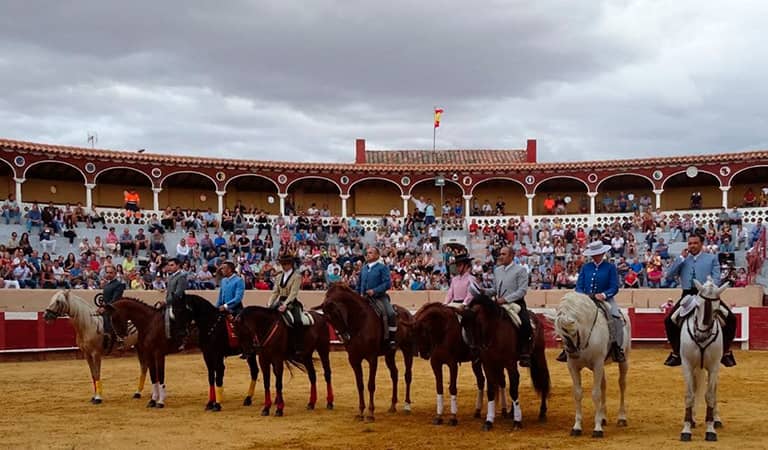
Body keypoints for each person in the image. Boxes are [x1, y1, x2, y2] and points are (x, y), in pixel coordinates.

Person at [663, 234, 737, 367]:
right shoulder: (683, 259)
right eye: (690, 243)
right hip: (687, 296)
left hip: (708, 295)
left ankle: (725, 352)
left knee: (731, 319)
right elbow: (668, 275)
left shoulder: (711, 259)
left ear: (701, 244)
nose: (692, 246)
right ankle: (676, 353)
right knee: (669, 321)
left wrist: (708, 290)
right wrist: (680, 258)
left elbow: (716, 278)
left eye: (695, 243)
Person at [557, 240, 626, 363]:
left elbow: (614, 287)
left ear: (602, 253)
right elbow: (579, 286)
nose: (595, 256)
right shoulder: (586, 267)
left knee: (616, 316)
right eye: (594, 254)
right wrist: (582, 296)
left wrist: (604, 294)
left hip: (606, 299)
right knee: (571, 318)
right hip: (586, 300)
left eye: (598, 253)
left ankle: (617, 348)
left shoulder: (610, 267)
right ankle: (567, 348)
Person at [492, 245, 532, 367]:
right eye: (500, 254)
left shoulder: (520, 270)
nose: (501, 256)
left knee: (525, 323)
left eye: (504, 254)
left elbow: (522, 291)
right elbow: (495, 289)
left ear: (511, 256)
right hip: (499, 303)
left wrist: (505, 299)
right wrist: (483, 291)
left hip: (516, 304)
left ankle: (525, 352)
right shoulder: (497, 270)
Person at [357, 246, 397, 349]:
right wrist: (358, 294)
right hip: (363, 298)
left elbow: (387, 284)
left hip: (379, 297)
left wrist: (374, 291)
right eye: (367, 253)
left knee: (391, 313)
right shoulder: (364, 268)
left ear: (377, 255)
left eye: (370, 253)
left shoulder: (382, 268)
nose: (367, 254)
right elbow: (359, 284)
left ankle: (392, 339)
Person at [268, 254, 305, 356]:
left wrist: (285, 305)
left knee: (297, 320)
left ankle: (299, 346)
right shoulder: (279, 276)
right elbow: (275, 292)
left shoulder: (297, 277)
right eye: (282, 264)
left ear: (290, 265)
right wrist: (270, 303)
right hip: (280, 301)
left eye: (285, 264)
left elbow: (293, 293)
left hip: (292, 303)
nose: (283, 266)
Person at [160, 258, 187, 349]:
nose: (170, 267)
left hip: (178, 303)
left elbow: (178, 293)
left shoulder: (181, 276)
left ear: (178, 265)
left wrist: (166, 301)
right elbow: (169, 292)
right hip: (170, 303)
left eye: (172, 265)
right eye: (169, 265)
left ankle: (182, 339)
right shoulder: (171, 277)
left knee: (176, 317)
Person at [97, 265, 125, 351]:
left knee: (109, 318)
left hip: (114, 308)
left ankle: (118, 339)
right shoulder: (107, 285)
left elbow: (115, 299)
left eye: (111, 273)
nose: (108, 274)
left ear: (115, 273)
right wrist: (101, 307)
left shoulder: (119, 285)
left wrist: (105, 308)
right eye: (107, 272)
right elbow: (105, 299)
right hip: (107, 307)